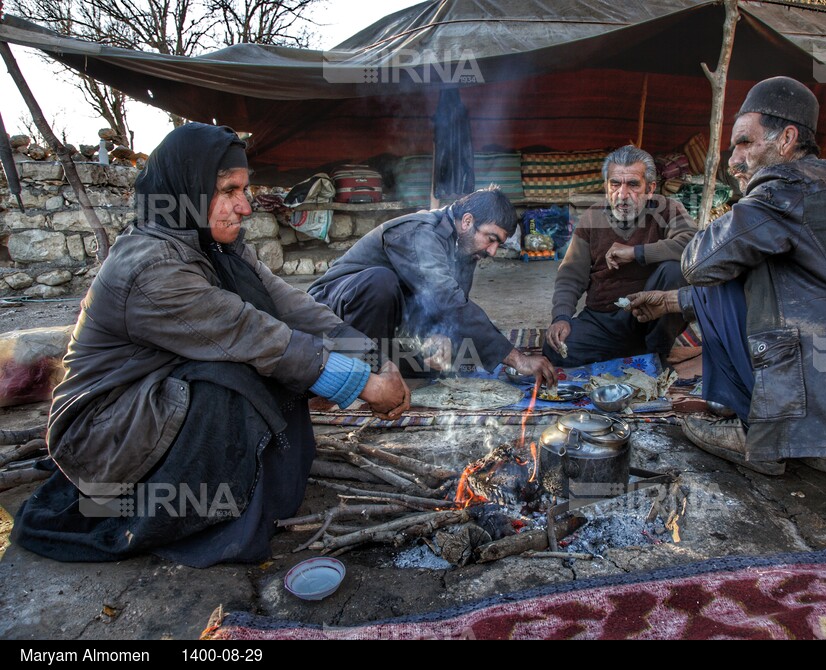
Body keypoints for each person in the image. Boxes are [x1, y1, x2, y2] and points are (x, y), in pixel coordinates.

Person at [12, 123, 410, 567]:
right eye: (228, 190)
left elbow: (290, 305)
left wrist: (372, 356)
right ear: (185, 190)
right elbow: (253, 334)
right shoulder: (151, 266)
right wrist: (365, 386)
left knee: (259, 364)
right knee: (233, 376)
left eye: (246, 188)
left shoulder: (216, 247)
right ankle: (197, 517)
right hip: (102, 430)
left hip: (150, 402)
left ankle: (256, 493)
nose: (244, 206)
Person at [628, 77, 826, 475]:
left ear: (787, 140)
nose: (733, 160)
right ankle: (824, 448)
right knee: (748, 266)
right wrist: (670, 302)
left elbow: (698, 262)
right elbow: (800, 293)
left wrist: (737, 208)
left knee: (722, 269)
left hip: (821, 371)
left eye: (745, 142)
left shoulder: (784, 188)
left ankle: (754, 430)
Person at [308, 186, 557, 385]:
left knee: (454, 362)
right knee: (381, 282)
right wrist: (517, 359)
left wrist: (438, 336)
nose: (492, 251)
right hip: (331, 316)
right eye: (491, 239)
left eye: (498, 244)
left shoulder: (465, 248)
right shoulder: (420, 233)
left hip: (382, 326)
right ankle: (358, 375)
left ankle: (376, 364)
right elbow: (448, 301)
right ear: (468, 221)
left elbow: (444, 308)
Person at [544, 146, 696, 368]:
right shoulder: (592, 217)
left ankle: (657, 349)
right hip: (603, 320)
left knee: (675, 270)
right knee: (555, 349)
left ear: (650, 188)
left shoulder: (668, 210)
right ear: (607, 187)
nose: (622, 194)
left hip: (652, 317)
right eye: (615, 184)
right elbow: (570, 275)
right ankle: (642, 352)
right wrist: (561, 317)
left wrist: (637, 253)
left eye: (633, 185)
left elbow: (693, 244)